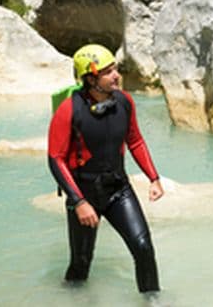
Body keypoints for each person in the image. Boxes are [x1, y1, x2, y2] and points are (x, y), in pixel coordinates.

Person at [47, 44, 164, 293]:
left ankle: (152, 301)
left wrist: (153, 178)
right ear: (91, 78)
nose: (116, 75)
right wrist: (78, 202)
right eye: (108, 71)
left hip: (118, 190)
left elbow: (135, 140)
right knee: (81, 264)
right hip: (84, 193)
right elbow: (55, 158)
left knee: (143, 247)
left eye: (116, 69)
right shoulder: (69, 110)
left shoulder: (125, 102)